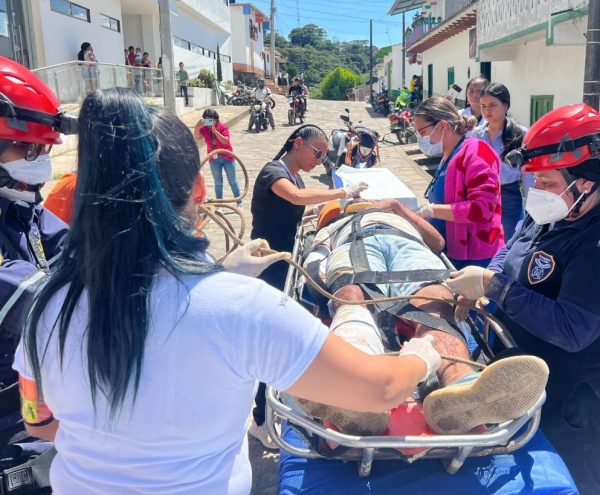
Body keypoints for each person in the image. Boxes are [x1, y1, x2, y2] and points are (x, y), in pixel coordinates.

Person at [13, 88, 443, 494]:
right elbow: (380, 391)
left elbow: (39, 422)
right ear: (199, 190)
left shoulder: (50, 304)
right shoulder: (243, 309)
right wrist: (422, 355)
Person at [445, 103, 600, 494]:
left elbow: (571, 329)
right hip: (533, 380)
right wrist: (484, 281)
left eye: (548, 183)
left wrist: (494, 287)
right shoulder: (558, 210)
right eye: (534, 181)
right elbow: (514, 248)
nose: (537, 193)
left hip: (583, 404)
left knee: (567, 484)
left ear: (589, 182)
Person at [296, 198, 549, 435]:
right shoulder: (334, 224)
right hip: (353, 241)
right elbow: (316, 254)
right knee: (351, 294)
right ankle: (354, 385)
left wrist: (398, 209)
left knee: (437, 299)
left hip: (406, 243)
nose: (361, 201)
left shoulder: (396, 216)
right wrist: (320, 277)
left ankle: (461, 387)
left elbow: (437, 243)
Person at [0, 56, 73, 469]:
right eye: (26, 147)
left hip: (30, 418)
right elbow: (37, 298)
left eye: (43, 149)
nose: (39, 160)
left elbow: (73, 251)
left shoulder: (19, 203)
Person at [249, 124, 367, 291]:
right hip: (268, 258)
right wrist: (343, 192)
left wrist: (318, 209)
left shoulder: (296, 178)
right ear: (298, 144)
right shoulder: (273, 173)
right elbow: (295, 196)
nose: (319, 162)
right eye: (317, 154)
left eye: (323, 157)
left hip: (287, 254)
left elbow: (292, 212)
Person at [412, 96, 505, 269]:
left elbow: (482, 209)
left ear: (442, 125)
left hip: (477, 258)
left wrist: (431, 210)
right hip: (451, 253)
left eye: (422, 132)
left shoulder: (477, 152)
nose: (421, 139)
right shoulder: (448, 156)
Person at [471, 82, 531, 238]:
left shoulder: (520, 134)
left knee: (506, 239)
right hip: (480, 194)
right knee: (482, 238)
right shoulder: (475, 135)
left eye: (492, 105)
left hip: (508, 196)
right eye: (483, 106)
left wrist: (531, 205)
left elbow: (527, 173)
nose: (486, 110)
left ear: (506, 106)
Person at [194, 108, 242, 207]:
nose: (210, 122)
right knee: (218, 182)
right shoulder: (204, 129)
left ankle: (239, 203)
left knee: (233, 181)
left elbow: (226, 141)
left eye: (212, 120)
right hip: (214, 159)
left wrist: (215, 131)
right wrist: (198, 125)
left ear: (216, 119)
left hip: (228, 157)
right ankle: (219, 205)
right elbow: (197, 137)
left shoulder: (223, 127)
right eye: (207, 120)